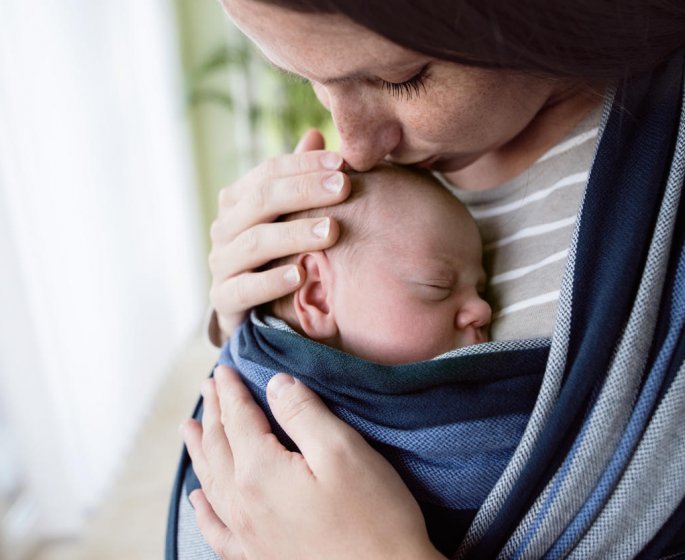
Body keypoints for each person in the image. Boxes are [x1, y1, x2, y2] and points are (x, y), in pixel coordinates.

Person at [168, 1, 685, 559]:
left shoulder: (660, 194)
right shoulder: (365, 204)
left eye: (401, 78)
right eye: (302, 76)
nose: (356, 144)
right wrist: (251, 312)